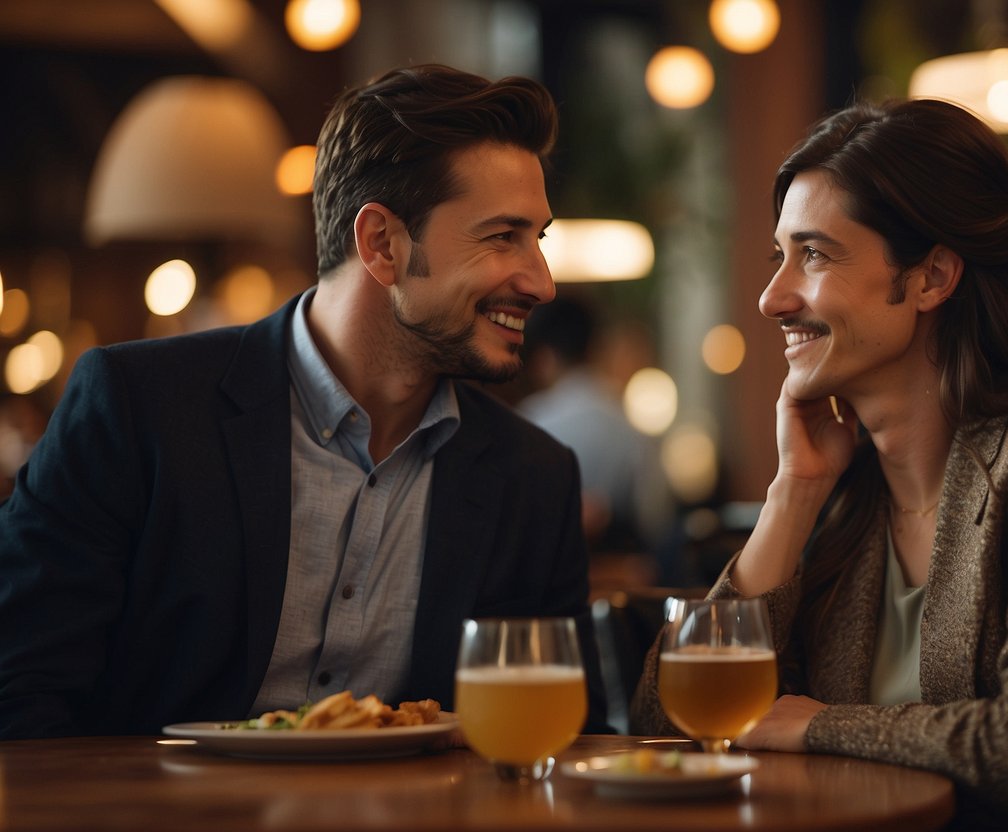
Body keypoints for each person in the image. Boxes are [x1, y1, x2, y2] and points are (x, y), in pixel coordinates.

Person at [0, 64, 609, 739]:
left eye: (538, 239)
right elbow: (19, 685)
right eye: (503, 237)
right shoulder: (138, 408)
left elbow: (559, 741)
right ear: (381, 242)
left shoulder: (533, 478)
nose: (542, 282)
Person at [631, 98, 1008, 829]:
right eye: (778, 256)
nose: (771, 297)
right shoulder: (846, 490)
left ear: (931, 277)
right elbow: (667, 722)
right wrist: (794, 493)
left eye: (812, 255)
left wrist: (813, 725)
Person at [517, 295, 681, 583]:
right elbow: (657, 519)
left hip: (544, 585)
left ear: (544, 357)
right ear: (595, 348)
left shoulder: (529, 421)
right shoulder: (630, 425)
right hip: (621, 586)